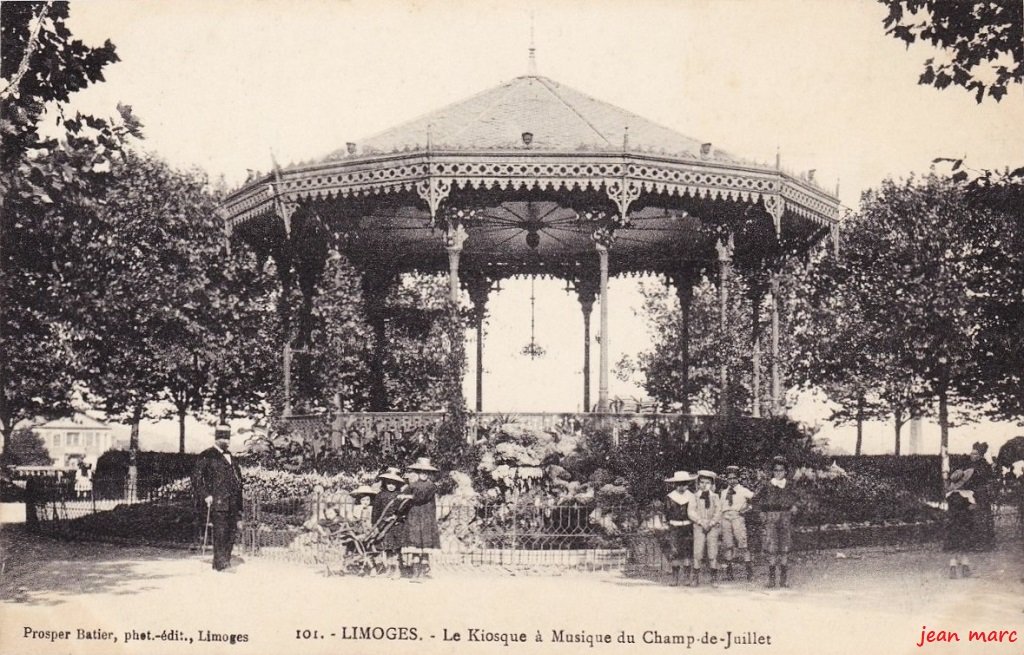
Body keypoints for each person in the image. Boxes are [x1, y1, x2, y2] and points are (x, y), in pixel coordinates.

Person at [192, 425, 244, 572]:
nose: (226, 441)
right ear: (216, 438)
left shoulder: (231, 457)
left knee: (231, 532)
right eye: (223, 437)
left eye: (228, 438)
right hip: (218, 502)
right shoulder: (206, 455)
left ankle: (225, 560)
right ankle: (220, 564)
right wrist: (206, 495)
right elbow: (197, 479)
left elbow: (238, 479)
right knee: (220, 532)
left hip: (232, 503)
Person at [752, 456, 799, 588]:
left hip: (785, 517)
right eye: (776, 470)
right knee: (772, 548)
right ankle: (771, 579)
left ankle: (783, 579)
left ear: (785, 472)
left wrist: (795, 505)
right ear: (772, 471)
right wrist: (761, 512)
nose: (778, 473)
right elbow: (755, 499)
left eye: (781, 470)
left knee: (784, 547)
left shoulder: (789, 485)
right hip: (771, 517)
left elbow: (797, 498)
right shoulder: (767, 485)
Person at [403, 457, 441, 578]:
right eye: (421, 472)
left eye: (426, 472)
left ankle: (423, 572)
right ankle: (415, 571)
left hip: (426, 516)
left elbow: (421, 498)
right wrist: (404, 498)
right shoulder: (412, 485)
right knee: (415, 543)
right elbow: (404, 498)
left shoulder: (431, 486)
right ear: (418, 472)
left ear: (429, 474)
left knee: (425, 544)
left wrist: (410, 497)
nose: (424, 474)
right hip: (414, 516)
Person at [660, 470, 696, 586]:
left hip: (687, 526)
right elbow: (666, 513)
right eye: (679, 484)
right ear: (675, 484)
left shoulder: (691, 496)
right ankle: (675, 578)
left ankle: (686, 578)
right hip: (674, 527)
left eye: (684, 484)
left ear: (687, 484)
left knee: (687, 552)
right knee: (674, 552)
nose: (681, 486)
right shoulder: (670, 497)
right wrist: (667, 524)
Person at [719, 465, 755, 581]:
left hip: (737, 517)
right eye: (729, 478)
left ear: (738, 478)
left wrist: (747, 509)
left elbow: (755, 500)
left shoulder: (743, 490)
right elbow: (720, 506)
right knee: (728, 545)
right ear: (727, 479)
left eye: (734, 478)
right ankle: (729, 573)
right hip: (725, 518)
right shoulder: (724, 492)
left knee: (742, 543)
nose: (732, 480)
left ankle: (749, 571)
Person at [689, 470, 723, 586]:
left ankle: (714, 577)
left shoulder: (715, 496)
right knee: (698, 551)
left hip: (712, 526)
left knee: (712, 551)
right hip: (699, 526)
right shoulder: (695, 497)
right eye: (702, 482)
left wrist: (712, 522)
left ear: (712, 484)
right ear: (698, 484)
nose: (704, 485)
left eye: (707, 482)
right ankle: (695, 577)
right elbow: (691, 511)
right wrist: (700, 521)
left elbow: (719, 511)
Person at [963, 442, 995, 550]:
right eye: (972, 454)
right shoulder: (968, 465)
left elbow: (987, 478)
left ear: (980, 455)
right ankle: (974, 542)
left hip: (981, 494)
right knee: (972, 517)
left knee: (981, 517)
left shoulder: (984, 465)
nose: (972, 456)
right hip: (970, 493)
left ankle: (985, 543)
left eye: (975, 454)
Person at [944, 468, 975, 578]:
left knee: (955, 545)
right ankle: (965, 568)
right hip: (964, 522)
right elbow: (972, 507)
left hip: (953, 522)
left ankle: (952, 567)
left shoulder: (950, 495)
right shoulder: (967, 495)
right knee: (964, 545)